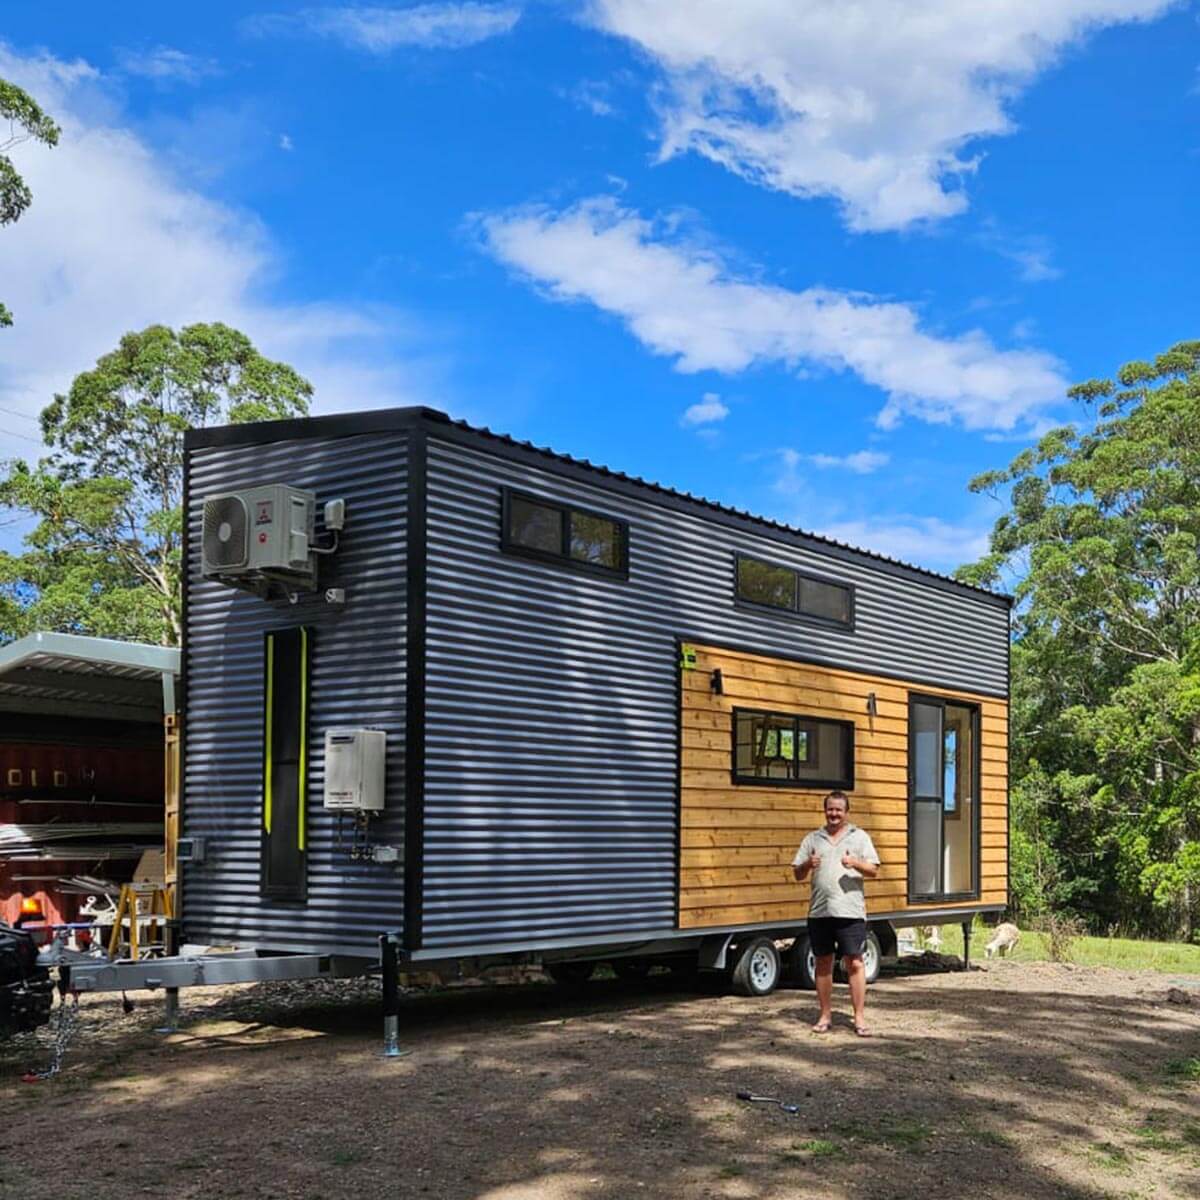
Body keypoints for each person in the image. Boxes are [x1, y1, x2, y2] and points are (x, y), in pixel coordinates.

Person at [792, 791, 880, 1036]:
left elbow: (874, 869)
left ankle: (859, 1018)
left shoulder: (859, 837)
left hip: (850, 911)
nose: (834, 814)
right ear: (825, 811)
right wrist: (808, 864)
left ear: (846, 812)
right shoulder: (813, 839)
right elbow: (797, 874)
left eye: (838, 810)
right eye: (830, 809)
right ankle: (824, 1015)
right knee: (823, 962)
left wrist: (855, 863)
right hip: (820, 911)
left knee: (854, 962)